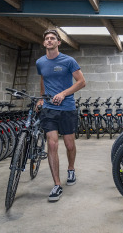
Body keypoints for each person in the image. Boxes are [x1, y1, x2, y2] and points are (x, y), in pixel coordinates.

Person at [36, 28, 86, 202]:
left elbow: (81, 82)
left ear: (58, 42)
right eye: (47, 38)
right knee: (52, 144)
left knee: (69, 144)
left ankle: (71, 169)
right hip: (49, 109)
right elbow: (43, 79)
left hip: (67, 108)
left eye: (53, 38)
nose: (49, 40)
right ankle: (57, 184)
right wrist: (42, 99)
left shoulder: (68, 61)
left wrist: (64, 94)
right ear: (44, 43)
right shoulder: (40, 62)